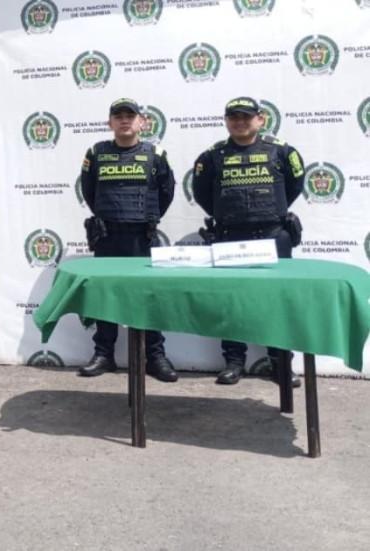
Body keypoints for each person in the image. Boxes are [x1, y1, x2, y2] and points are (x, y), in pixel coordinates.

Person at [192, 97, 305, 386]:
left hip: (273, 235)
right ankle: (234, 362)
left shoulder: (283, 151)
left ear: (260, 119)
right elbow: (202, 194)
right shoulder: (211, 156)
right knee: (231, 302)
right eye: (234, 117)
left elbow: (294, 186)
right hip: (230, 236)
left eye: (246, 116)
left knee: (277, 302)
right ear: (226, 121)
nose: (240, 122)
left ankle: (280, 362)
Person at [78, 98, 178, 382]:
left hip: (141, 237)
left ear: (142, 122)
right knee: (105, 295)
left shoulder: (156, 154)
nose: (124, 120)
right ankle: (104, 354)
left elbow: (166, 192)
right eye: (118, 116)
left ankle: (155, 357)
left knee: (149, 296)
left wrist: (144, 218)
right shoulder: (96, 153)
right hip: (107, 236)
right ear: (110, 122)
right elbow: (89, 191)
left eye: (130, 116)